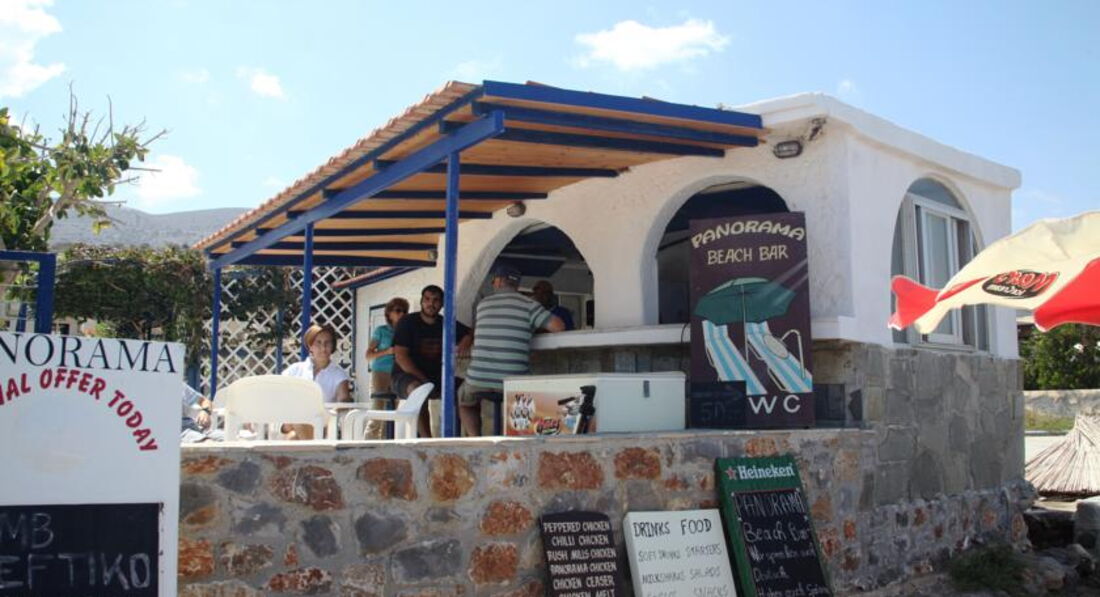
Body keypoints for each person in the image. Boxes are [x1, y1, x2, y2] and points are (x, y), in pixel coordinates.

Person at [460, 266, 564, 436]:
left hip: (478, 380)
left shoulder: (483, 304)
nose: (493, 283)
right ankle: (517, 438)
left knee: (464, 401)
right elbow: (558, 326)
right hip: (513, 381)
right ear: (516, 284)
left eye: (493, 280)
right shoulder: (529, 305)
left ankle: (475, 438)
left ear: (499, 281)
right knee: (530, 393)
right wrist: (531, 327)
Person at [391, 284, 471, 438]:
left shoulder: (445, 323)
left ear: (442, 304)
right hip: (404, 376)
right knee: (418, 390)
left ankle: (465, 438)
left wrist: (465, 341)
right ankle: (427, 441)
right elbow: (401, 357)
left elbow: (469, 332)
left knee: (465, 390)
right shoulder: (407, 322)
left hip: (436, 376)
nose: (431, 303)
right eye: (427, 299)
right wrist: (424, 380)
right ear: (421, 301)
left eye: (435, 300)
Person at [281, 322, 350, 439]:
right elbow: (279, 394)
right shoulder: (294, 370)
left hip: (321, 426)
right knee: (295, 426)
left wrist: (327, 415)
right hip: (290, 423)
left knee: (293, 437)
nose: (323, 348)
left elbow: (343, 402)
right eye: (318, 343)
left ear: (333, 346)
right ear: (310, 345)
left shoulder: (338, 374)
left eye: (327, 343)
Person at [363, 297, 408, 439]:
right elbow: (368, 355)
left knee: (392, 412)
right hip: (381, 372)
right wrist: (387, 352)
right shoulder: (381, 331)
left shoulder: (406, 331)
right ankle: (368, 442)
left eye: (405, 311)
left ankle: (386, 442)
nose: (402, 314)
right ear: (389, 313)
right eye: (398, 311)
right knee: (377, 409)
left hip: (398, 372)